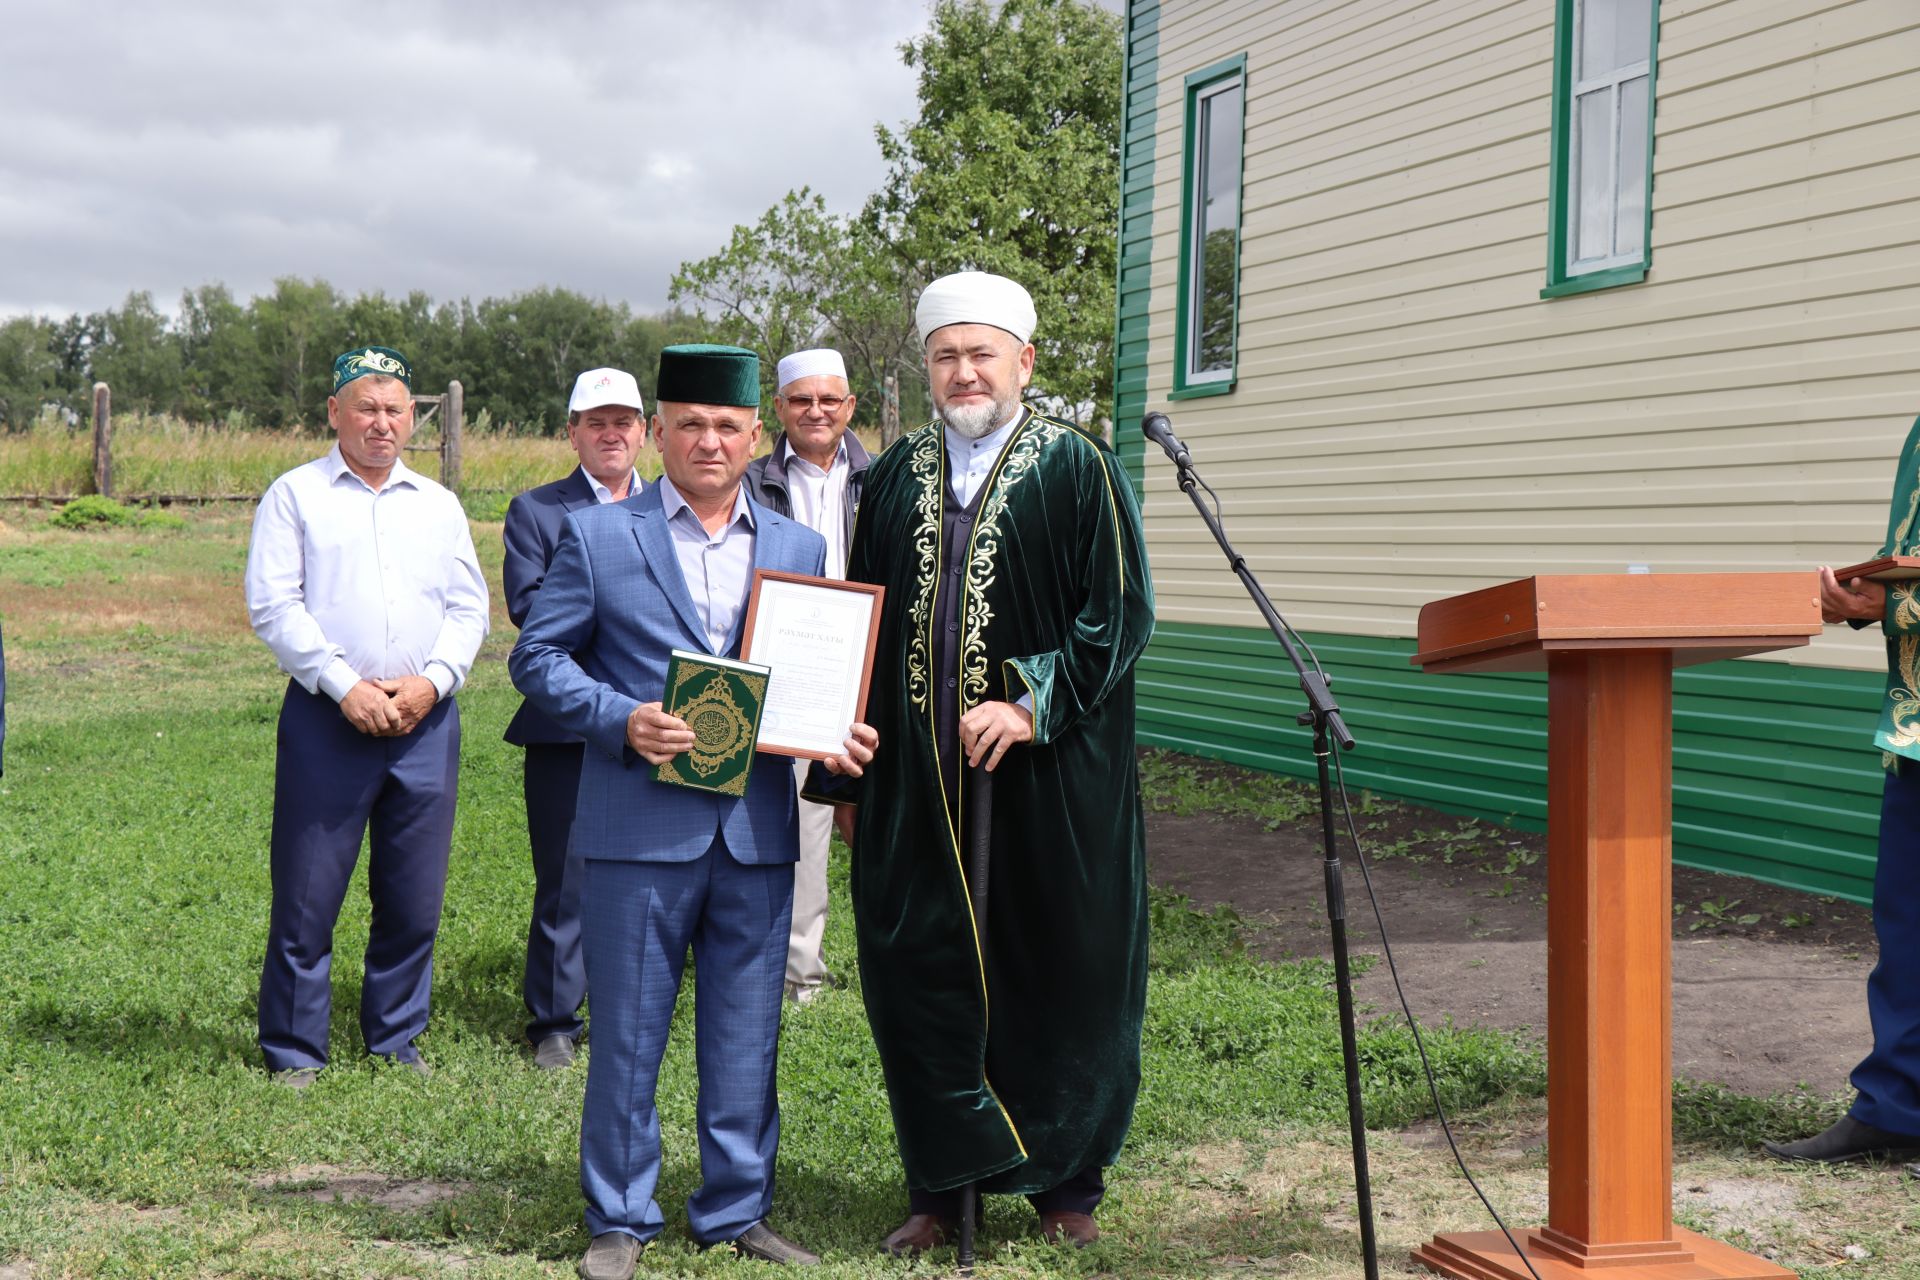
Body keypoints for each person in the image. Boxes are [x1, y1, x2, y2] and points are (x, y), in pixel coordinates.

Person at [510, 344, 874, 1278]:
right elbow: (539, 660)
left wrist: (838, 732)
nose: (708, 441)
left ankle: (734, 1210)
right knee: (627, 1033)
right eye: (690, 425)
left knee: (747, 1031)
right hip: (637, 825)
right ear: (657, 432)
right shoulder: (599, 536)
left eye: (727, 427)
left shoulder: (799, 547)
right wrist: (619, 719)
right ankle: (620, 1217)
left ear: (757, 437)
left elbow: (810, 676)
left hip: (755, 829)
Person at [814, 272, 1154, 1252]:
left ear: (1024, 362)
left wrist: (1031, 698)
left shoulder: (1078, 468)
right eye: (946, 355)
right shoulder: (892, 478)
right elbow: (862, 624)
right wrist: (844, 774)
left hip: (1052, 786)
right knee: (916, 972)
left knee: (1063, 970)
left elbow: (1118, 615)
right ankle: (940, 1182)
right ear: (925, 365)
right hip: (918, 784)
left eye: (981, 353)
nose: (964, 371)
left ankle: (1064, 1185)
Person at [243, 345, 489, 1088]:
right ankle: (294, 1049)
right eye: (365, 409)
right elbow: (274, 603)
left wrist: (434, 682)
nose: (380, 424)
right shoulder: (296, 495)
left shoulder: (438, 505)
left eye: (394, 411)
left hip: (424, 719)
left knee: (414, 896)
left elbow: (469, 606)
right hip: (330, 716)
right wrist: (344, 686)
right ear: (334, 414)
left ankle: (395, 1038)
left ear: (412, 417)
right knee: (309, 892)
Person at [1766, 415, 1920, 1168]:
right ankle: (1895, 1107)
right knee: (1909, 934)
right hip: (1916, 725)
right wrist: (1870, 596)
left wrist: (1879, 603)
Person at [501, 367, 648, 1071]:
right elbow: (533, 613)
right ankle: (555, 1020)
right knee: (566, 873)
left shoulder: (674, 506)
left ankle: (636, 1004)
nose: (611, 433)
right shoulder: (536, 511)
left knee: (659, 864)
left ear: (644, 432)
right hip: (567, 721)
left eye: (623, 421)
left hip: (664, 719)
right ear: (572, 432)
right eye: (596, 422)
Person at [745, 348, 873, 1005]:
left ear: (850, 407)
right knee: (802, 825)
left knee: (881, 824)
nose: (816, 411)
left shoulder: (882, 480)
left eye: (829, 400)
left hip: (871, 673)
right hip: (786, 675)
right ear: (779, 409)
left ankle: (903, 963)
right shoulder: (753, 481)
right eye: (801, 400)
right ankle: (802, 975)